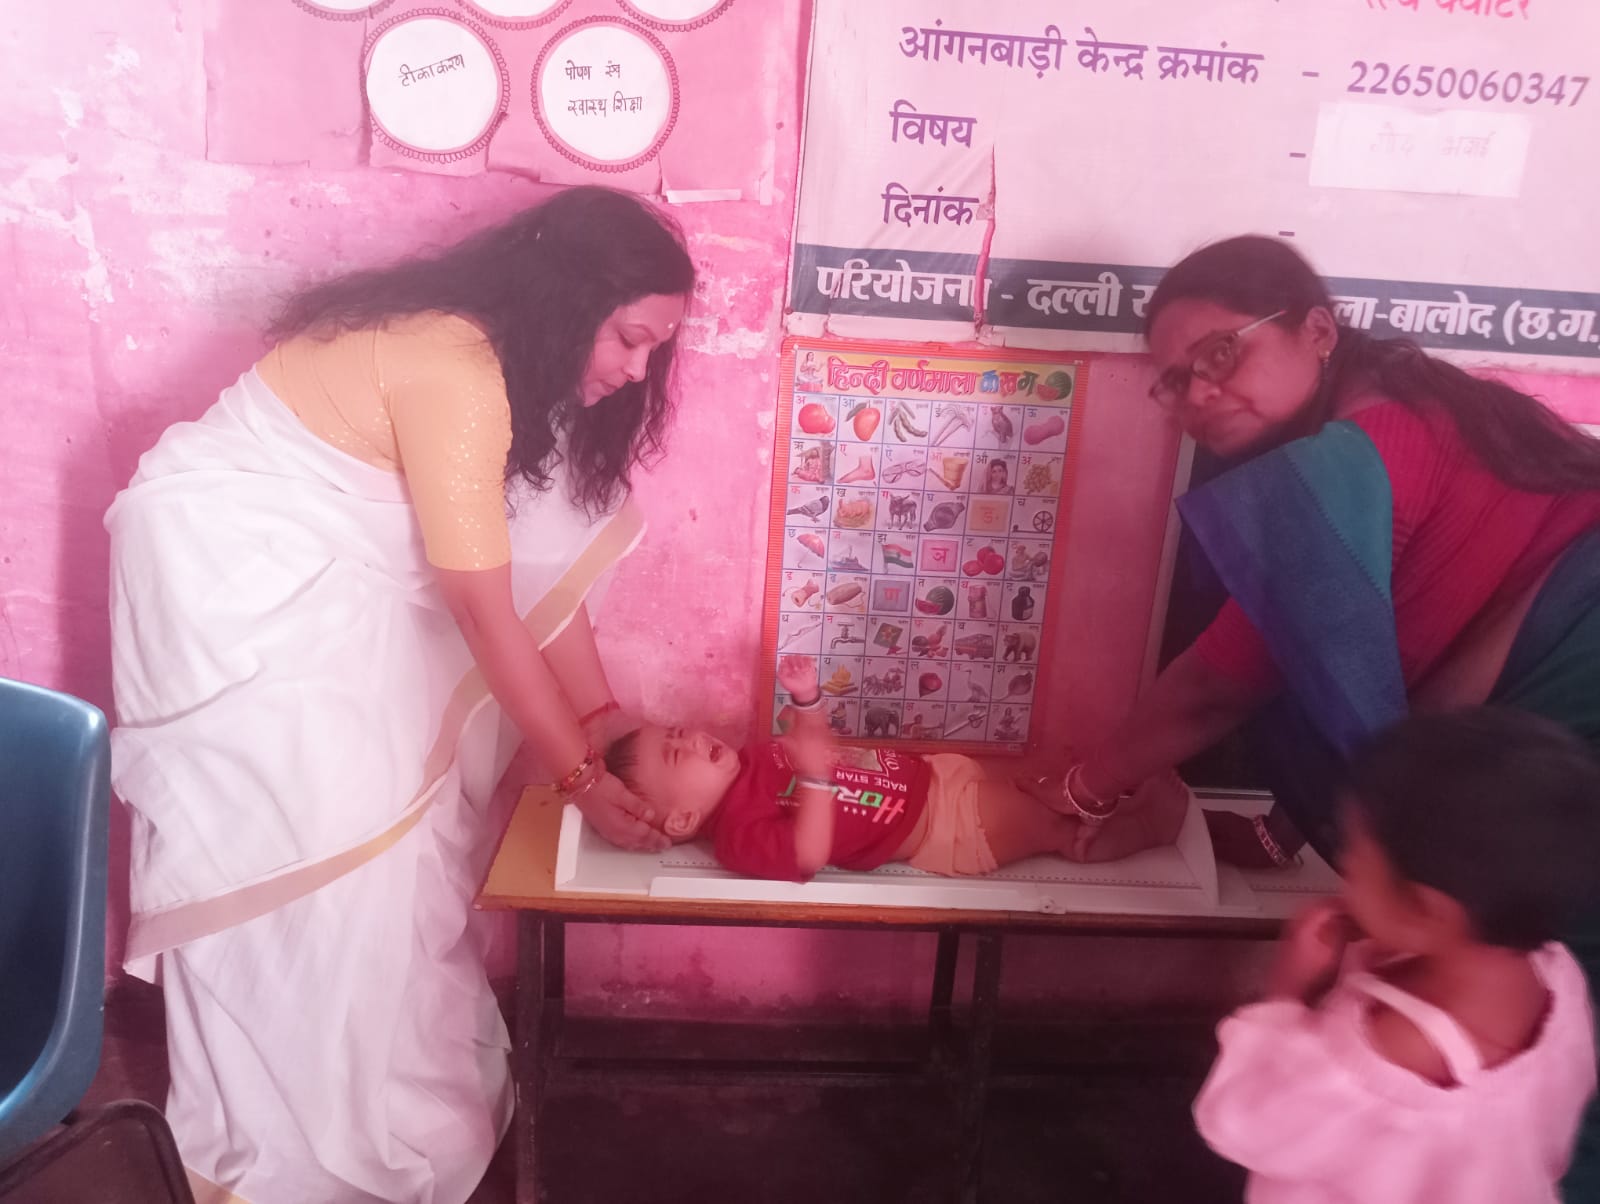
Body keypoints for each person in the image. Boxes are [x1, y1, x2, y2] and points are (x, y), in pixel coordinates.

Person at [105, 186, 693, 1203]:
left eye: (656, 351)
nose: (638, 372)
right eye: (630, 339)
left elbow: (536, 570)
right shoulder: (456, 371)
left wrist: (600, 725)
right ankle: (282, 1133)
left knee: (397, 846)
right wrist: (583, 778)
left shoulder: (516, 376)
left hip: (318, 583)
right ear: (568, 302)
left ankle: (382, 1092)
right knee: (316, 843)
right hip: (230, 588)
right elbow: (484, 610)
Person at [1020, 236, 1600, 870]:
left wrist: (1083, 791)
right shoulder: (1410, 406)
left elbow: (1218, 684)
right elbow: (1335, 665)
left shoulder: (1356, 456)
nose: (1201, 394)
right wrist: (1277, 838)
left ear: (1317, 331)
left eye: (1221, 353)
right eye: (1179, 380)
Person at [1194, 708, 1600, 1203]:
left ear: (1427, 910)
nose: (1344, 864)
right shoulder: (1559, 977)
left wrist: (1285, 995)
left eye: (1352, 856)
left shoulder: (1385, 1055)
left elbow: (1247, 1121)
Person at [602, 656, 1188, 882]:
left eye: (676, 731)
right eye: (675, 752)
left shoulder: (755, 757)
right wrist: (814, 776)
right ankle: (1141, 830)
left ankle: (1121, 797)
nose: (691, 736)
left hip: (938, 778)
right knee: (1053, 822)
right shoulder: (739, 835)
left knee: (1054, 772)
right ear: (682, 818)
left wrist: (807, 700)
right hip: (943, 829)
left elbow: (817, 744)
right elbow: (808, 854)